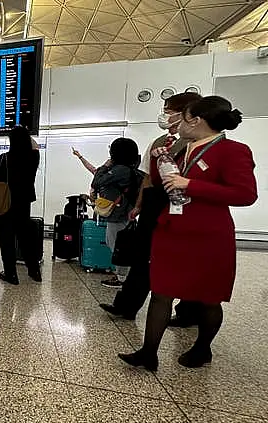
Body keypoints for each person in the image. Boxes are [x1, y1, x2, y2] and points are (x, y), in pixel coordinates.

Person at [119, 96, 257, 371]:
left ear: (196, 121)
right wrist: (162, 162)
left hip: (208, 235)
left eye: (181, 118)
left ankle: (202, 348)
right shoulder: (183, 150)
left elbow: (245, 194)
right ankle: (148, 352)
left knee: (208, 297)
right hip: (173, 230)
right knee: (161, 291)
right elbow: (163, 185)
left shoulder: (234, 151)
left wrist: (191, 184)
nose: (175, 123)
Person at [100, 93, 204, 323]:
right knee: (142, 257)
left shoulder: (197, 142)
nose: (164, 115)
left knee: (185, 260)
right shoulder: (158, 142)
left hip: (183, 206)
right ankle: (126, 305)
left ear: (187, 113)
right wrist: (138, 205)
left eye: (168, 111)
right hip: (154, 202)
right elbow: (147, 177)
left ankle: (189, 311)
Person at [0, 126, 41, 285]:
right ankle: (34, 271)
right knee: (25, 237)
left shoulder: (4, 158)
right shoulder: (33, 157)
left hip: (5, 204)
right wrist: (25, 134)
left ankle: (11, 274)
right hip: (24, 203)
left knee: (7, 240)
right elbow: (35, 145)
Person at [90, 138, 140, 288]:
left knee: (118, 245)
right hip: (124, 211)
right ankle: (122, 275)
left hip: (119, 213)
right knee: (118, 243)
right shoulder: (131, 168)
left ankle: (122, 277)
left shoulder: (120, 170)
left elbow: (97, 182)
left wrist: (105, 166)